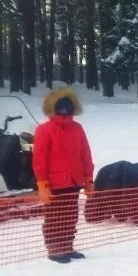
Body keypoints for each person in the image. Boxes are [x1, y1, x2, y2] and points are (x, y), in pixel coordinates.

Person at [32, 87, 95, 264]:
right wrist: (42, 184)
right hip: (54, 182)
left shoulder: (77, 128)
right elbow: (39, 159)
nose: (65, 109)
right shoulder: (44, 130)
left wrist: (88, 178)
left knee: (71, 216)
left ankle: (67, 246)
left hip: (74, 181)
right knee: (55, 217)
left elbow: (85, 153)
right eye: (61, 106)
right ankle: (55, 248)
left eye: (68, 106)